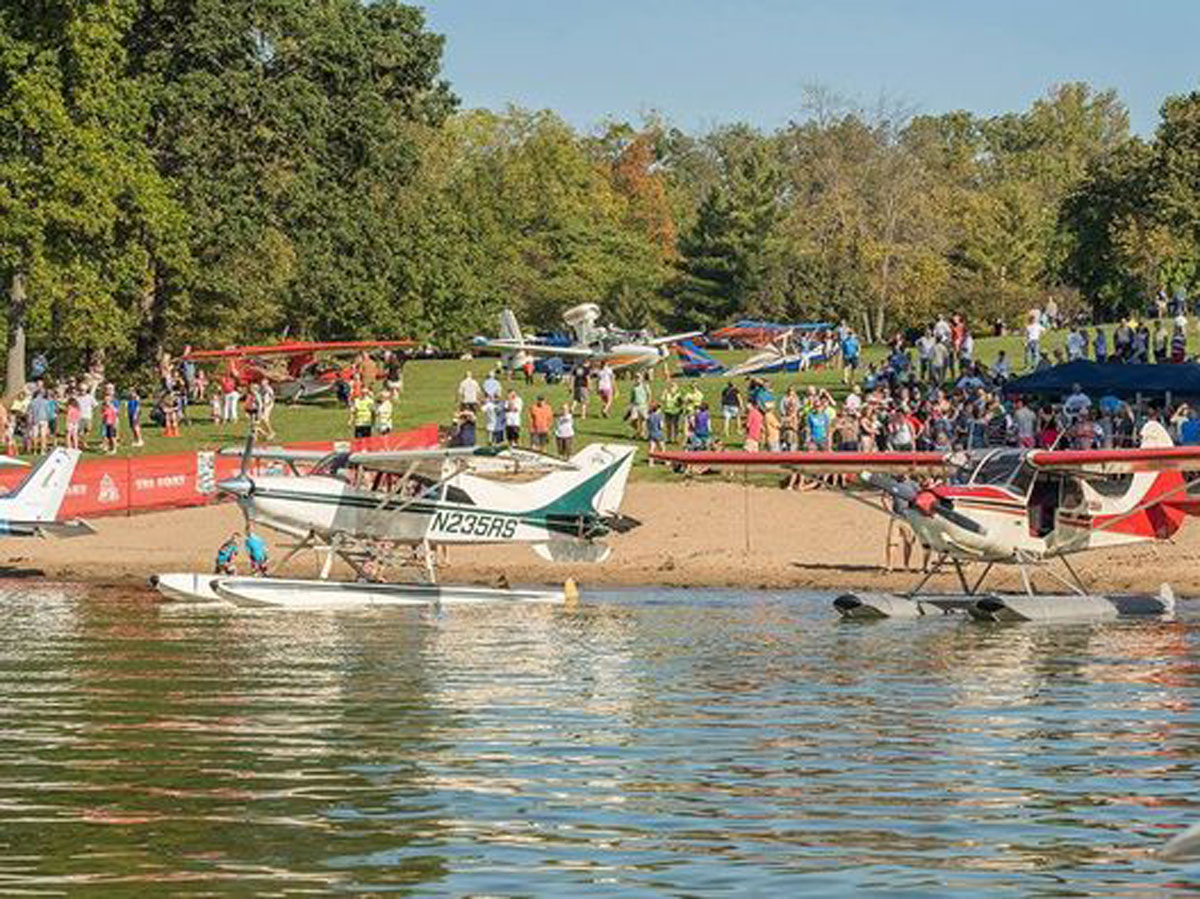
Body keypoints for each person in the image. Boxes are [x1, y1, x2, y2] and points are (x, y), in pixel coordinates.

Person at [102, 387, 120, 453]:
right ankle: (110, 447)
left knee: (112, 437)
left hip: (112, 424)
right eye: (105, 400)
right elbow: (103, 415)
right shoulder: (105, 407)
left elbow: (115, 414)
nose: (106, 402)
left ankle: (114, 448)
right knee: (108, 436)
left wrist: (115, 423)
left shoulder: (112, 407)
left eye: (108, 400)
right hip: (107, 423)